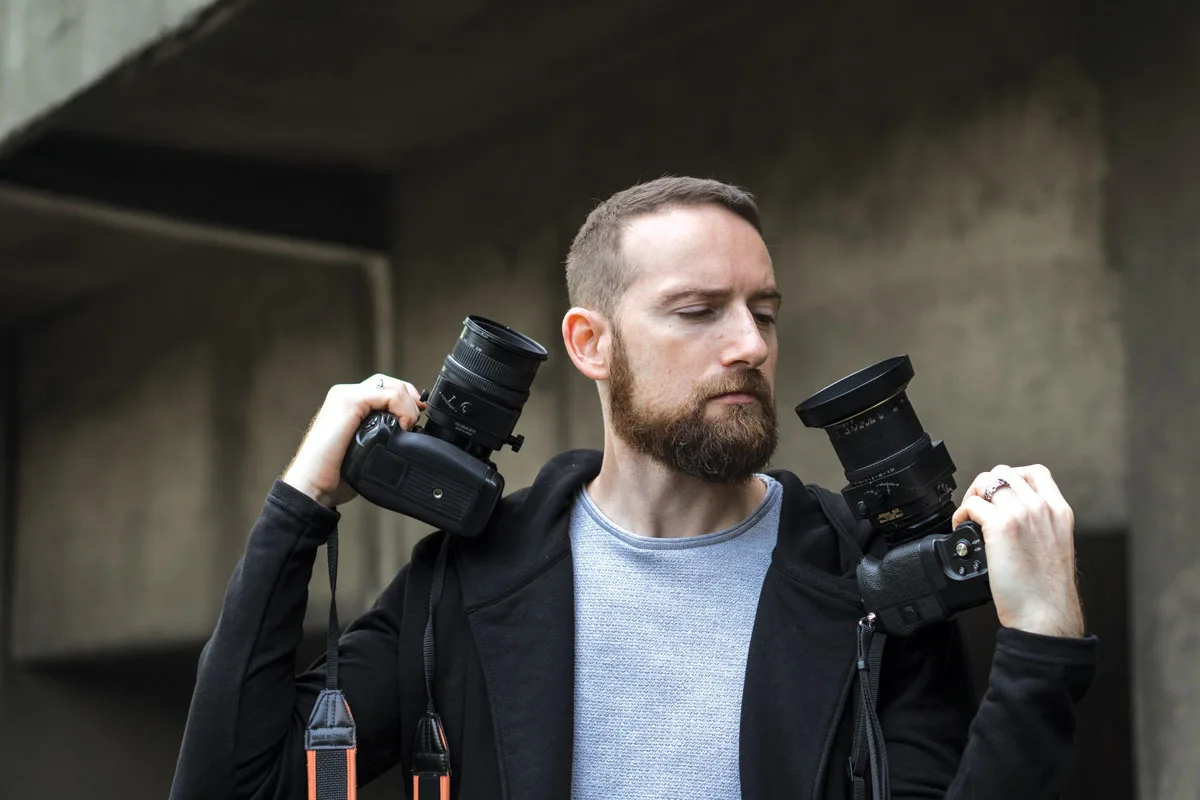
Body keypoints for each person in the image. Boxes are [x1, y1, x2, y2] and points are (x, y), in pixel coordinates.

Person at [169, 177, 1097, 800]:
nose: (750, 346)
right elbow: (235, 784)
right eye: (697, 311)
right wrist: (301, 504)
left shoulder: (870, 585)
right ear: (590, 343)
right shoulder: (470, 582)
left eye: (763, 313)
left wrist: (1044, 647)